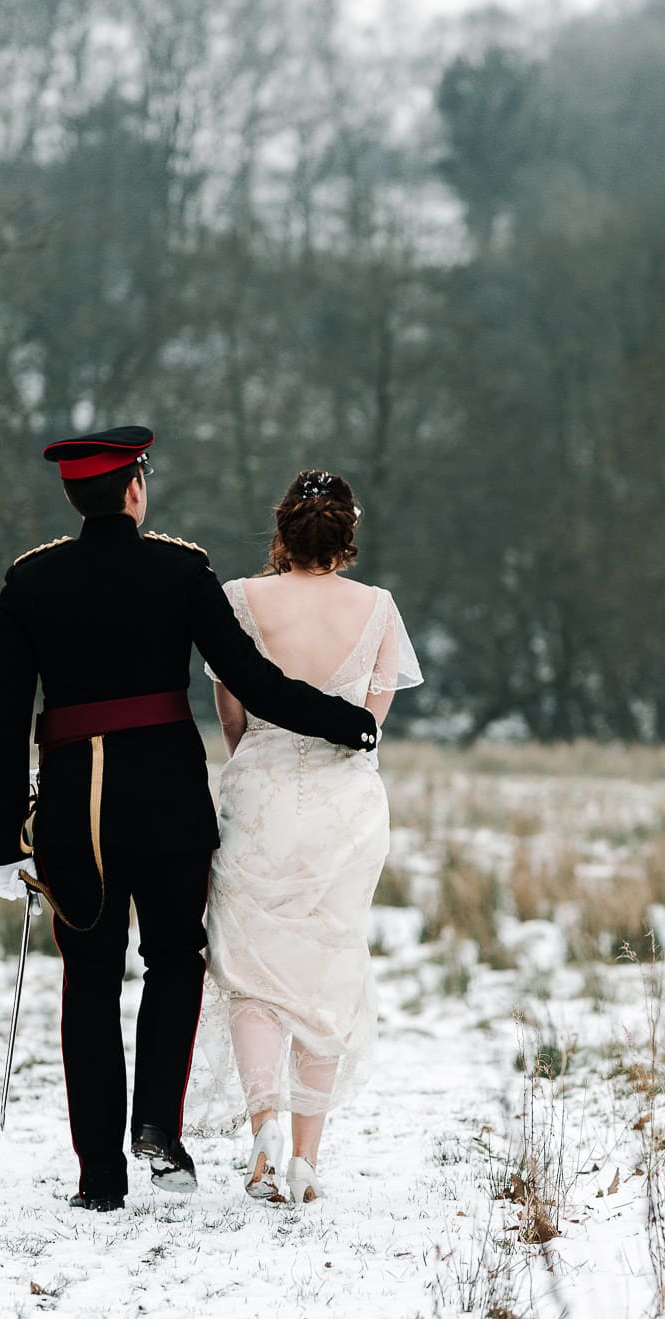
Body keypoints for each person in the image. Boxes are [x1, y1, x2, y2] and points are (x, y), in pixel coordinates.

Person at [0, 429, 379, 1212]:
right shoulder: (180, 570)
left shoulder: (28, 582)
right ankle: (157, 1124)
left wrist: (2, 838)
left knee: (89, 980)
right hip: (168, 803)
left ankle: (99, 1177)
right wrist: (347, 722)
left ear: (74, 496)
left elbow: (3, 719)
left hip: (77, 808)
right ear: (135, 489)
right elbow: (254, 682)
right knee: (174, 958)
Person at [184, 470, 420, 1204]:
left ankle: (263, 1128)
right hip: (345, 808)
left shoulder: (239, 602)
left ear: (280, 530)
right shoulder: (378, 608)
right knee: (328, 966)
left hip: (260, 792)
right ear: (347, 532)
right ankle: (308, 1158)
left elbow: (232, 714)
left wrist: (255, 765)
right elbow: (368, 728)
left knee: (251, 969)